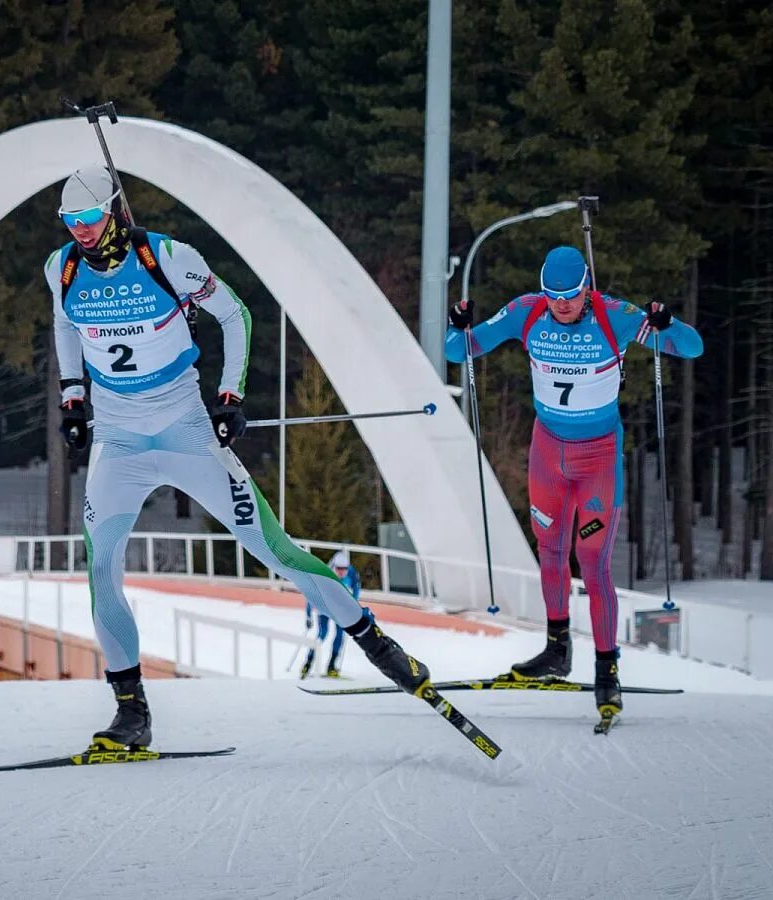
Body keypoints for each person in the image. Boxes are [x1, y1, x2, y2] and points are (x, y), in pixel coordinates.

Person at [48, 165, 432, 749]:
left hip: (186, 432)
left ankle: (376, 643)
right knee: (100, 573)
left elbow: (236, 315)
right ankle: (131, 712)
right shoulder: (63, 268)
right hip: (118, 442)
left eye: (89, 217)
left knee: (273, 550)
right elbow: (65, 324)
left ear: (114, 212)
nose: (78, 229)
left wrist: (230, 397)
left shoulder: (170, 257)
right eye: (69, 220)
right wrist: (72, 397)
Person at [445, 245, 703, 722]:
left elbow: (691, 348)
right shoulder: (527, 312)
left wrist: (669, 325)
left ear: (587, 288)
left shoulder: (615, 316)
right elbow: (456, 352)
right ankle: (556, 650)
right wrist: (457, 325)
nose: (561, 305)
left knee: (593, 560)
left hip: (598, 459)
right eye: (553, 296)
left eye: (570, 295)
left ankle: (608, 672)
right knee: (549, 550)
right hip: (548, 455)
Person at [301, 550, 360, 679]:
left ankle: (332, 666)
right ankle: (308, 663)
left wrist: (354, 606)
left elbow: (356, 589)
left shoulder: (351, 572)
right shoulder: (325, 574)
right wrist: (308, 616)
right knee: (322, 634)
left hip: (339, 608)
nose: (342, 572)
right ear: (334, 566)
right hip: (325, 607)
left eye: (344, 569)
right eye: (339, 569)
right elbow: (311, 595)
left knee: (340, 635)